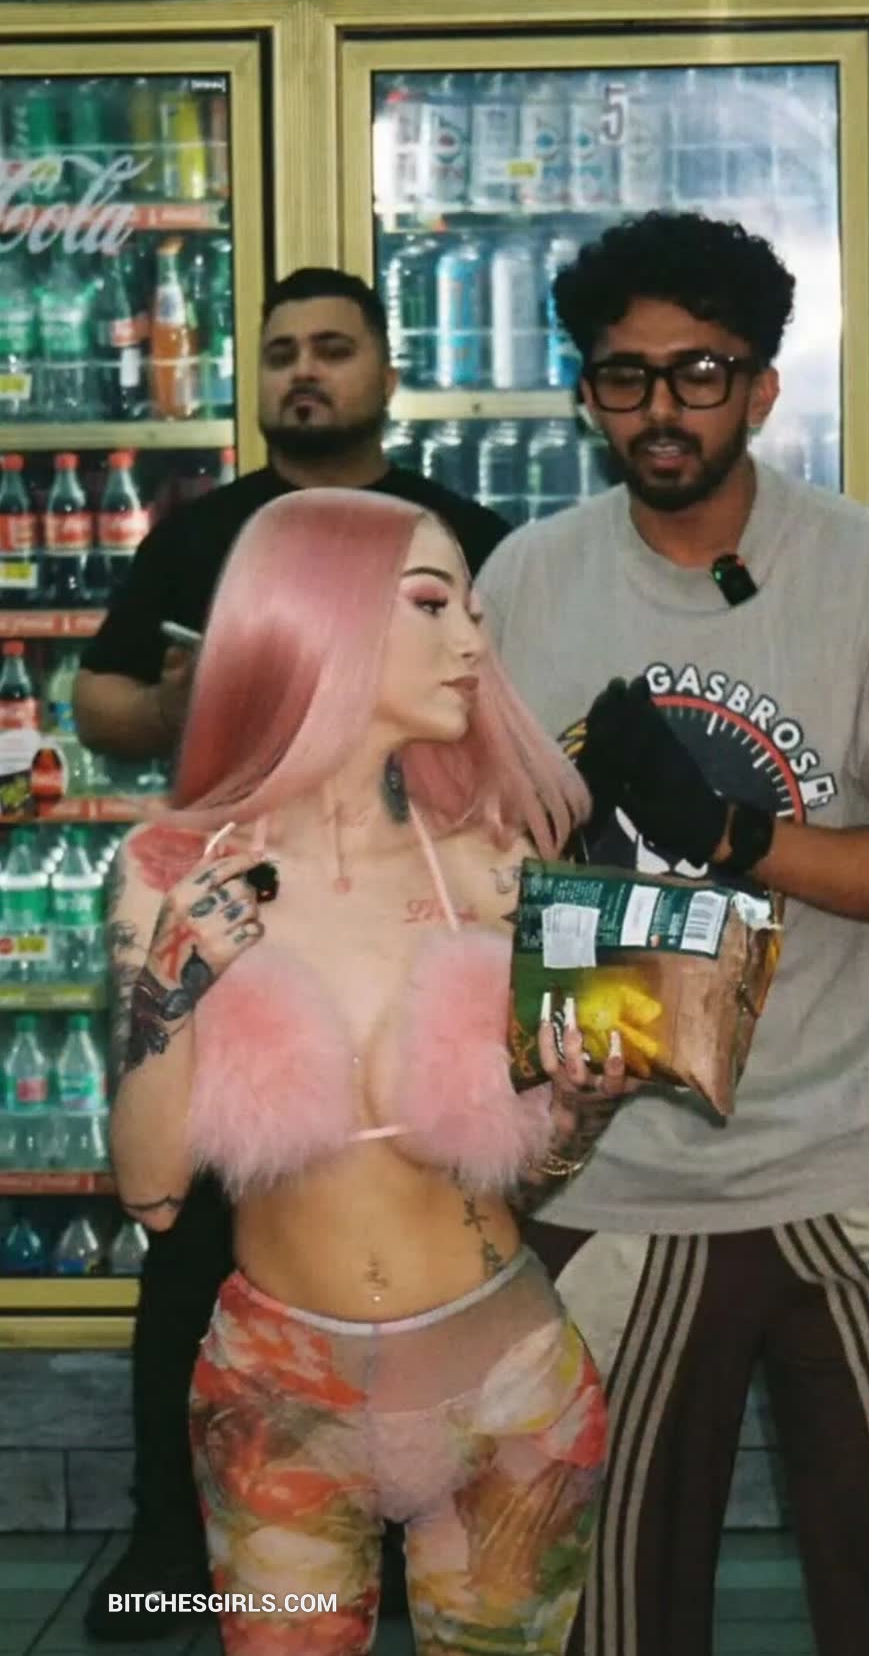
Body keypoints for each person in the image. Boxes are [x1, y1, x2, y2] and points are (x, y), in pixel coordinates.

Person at [477, 212, 869, 1656]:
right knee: (594, 1616)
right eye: (626, 375)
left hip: (846, 1168)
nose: (662, 408)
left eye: (700, 372)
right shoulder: (526, 579)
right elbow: (472, 858)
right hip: (611, 1181)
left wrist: (734, 835)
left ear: (763, 387)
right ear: (586, 391)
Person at [109, 487, 622, 1655]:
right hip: (277, 1396)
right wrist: (173, 987)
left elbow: (536, 1171)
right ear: (321, 616)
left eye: (474, 609)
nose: (473, 640)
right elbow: (151, 1191)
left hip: (512, 1388)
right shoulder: (175, 870)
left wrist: (582, 1107)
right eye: (433, 604)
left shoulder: (498, 860)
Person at [78, 267, 509, 1642]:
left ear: (388, 369)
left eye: (333, 347)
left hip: (491, 1353)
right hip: (265, 1324)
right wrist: (222, 703)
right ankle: (174, 1544)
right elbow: (100, 699)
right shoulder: (203, 535)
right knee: (193, 1281)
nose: (304, 372)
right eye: (281, 351)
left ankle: (387, 1545)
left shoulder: (465, 533)